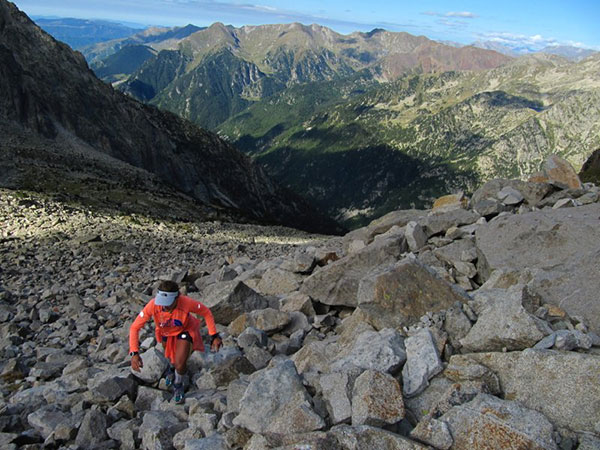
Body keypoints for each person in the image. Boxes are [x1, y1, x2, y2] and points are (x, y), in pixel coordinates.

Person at [128, 280, 222, 404]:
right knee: (170, 356)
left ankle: (178, 384)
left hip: (185, 330)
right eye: (162, 303)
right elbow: (135, 327)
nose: (164, 307)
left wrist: (214, 335)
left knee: (180, 362)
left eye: (168, 303)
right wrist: (134, 353)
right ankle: (171, 368)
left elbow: (206, 312)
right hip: (165, 333)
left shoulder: (186, 303)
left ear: (177, 298)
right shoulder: (153, 305)